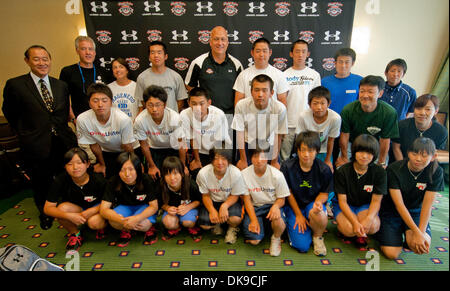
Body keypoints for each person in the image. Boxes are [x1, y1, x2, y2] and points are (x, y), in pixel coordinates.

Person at [2, 45, 77, 230]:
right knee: (41, 180)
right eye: (36, 59)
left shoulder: (61, 85)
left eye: (45, 59)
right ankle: (45, 213)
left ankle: (67, 208)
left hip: (62, 140)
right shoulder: (16, 85)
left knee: (66, 176)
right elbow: (9, 112)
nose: (42, 63)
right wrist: (26, 132)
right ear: (27, 61)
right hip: (35, 142)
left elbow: (62, 112)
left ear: (50, 61)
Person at [378, 137, 444, 259]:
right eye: (414, 154)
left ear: (433, 156)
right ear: (408, 153)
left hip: (415, 211)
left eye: (424, 156)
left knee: (420, 245)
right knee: (391, 254)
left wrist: (421, 233)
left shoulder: (436, 171)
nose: (418, 159)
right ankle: (391, 234)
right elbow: (399, 205)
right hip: (392, 212)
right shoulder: (394, 169)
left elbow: (427, 205)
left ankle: (407, 234)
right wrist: (418, 233)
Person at [43, 147, 108, 251]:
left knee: (94, 223)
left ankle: (102, 227)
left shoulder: (98, 179)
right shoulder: (60, 180)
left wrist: (92, 211)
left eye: (79, 163)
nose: (75, 167)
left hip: (98, 208)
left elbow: (110, 202)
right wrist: (69, 216)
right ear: (65, 166)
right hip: (78, 209)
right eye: (70, 164)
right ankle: (75, 233)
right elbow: (47, 208)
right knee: (61, 209)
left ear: (87, 164)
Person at [280, 132, 333, 256]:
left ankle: (318, 236)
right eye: (302, 150)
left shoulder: (324, 169)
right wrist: (298, 215)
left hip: (311, 205)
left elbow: (324, 193)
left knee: (319, 214)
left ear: (317, 151)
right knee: (302, 246)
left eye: (310, 150)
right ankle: (296, 224)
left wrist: (318, 203)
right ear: (297, 150)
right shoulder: (287, 167)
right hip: (293, 207)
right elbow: (288, 193)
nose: (306, 154)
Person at [333, 134, 387, 248]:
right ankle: (346, 231)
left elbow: (376, 201)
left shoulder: (379, 172)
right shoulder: (342, 171)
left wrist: (369, 219)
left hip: (365, 205)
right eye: (361, 152)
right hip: (346, 205)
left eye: (369, 153)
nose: (364, 156)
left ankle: (360, 232)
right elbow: (342, 201)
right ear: (354, 152)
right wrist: (355, 223)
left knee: (373, 226)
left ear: (374, 155)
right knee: (349, 229)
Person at [76, 83, 138, 178]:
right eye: (95, 101)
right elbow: (93, 145)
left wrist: (133, 164)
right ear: (89, 102)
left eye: (104, 100)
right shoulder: (83, 119)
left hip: (129, 149)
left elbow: (127, 145)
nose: (100, 105)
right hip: (106, 151)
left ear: (111, 102)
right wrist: (102, 164)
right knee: (107, 176)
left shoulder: (122, 119)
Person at [336, 75, 399, 168]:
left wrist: (381, 162)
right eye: (362, 91)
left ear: (380, 93)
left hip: (375, 147)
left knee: (378, 173)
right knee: (341, 168)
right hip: (353, 145)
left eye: (370, 92)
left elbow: (385, 140)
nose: (365, 95)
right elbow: (344, 136)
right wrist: (344, 157)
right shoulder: (348, 109)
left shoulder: (389, 112)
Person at [100, 152, 159, 247]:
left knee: (144, 224)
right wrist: (122, 220)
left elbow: (154, 206)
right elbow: (103, 210)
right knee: (113, 221)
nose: (127, 174)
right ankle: (127, 229)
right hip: (124, 208)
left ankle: (148, 228)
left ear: (138, 168)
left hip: (143, 207)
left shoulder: (146, 179)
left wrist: (136, 218)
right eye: (122, 170)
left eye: (131, 169)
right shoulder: (113, 181)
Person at [232, 74, 288, 171]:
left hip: (270, 145)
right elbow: (239, 133)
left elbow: (278, 135)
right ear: (251, 92)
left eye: (264, 90)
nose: (260, 94)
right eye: (256, 90)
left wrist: (274, 161)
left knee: (272, 174)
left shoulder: (279, 108)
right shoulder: (241, 105)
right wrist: (243, 159)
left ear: (271, 93)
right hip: (248, 144)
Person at [241, 147, 290, 256]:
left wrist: (276, 206)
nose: (259, 160)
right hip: (255, 207)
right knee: (255, 241)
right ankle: (263, 226)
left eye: (263, 157)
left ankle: (276, 238)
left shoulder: (277, 175)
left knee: (278, 220)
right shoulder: (244, 174)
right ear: (251, 158)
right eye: (255, 156)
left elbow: (282, 199)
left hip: (271, 206)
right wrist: (253, 220)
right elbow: (247, 200)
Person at [185, 26, 243, 115]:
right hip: (206, 114)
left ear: (227, 42)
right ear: (210, 42)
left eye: (223, 39)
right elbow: (190, 86)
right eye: (216, 39)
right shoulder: (198, 63)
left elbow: (240, 92)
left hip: (229, 115)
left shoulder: (237, 64)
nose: (220, 43)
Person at [133, 85, 187, 180]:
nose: (154, 109)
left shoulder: (174, 118)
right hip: (155, 149)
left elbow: (181, 144)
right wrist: (152, 166)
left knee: (177, 176)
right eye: (150, 105)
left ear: (165, 105)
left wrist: (183, 165)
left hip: (173, 149)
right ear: (145, 104)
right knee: (155, 177)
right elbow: (144, 145)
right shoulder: (140, 120)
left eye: (158, 105)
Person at [321, 48, 362, 168]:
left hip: (351, 128)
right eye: (340, 62)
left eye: (347, 62)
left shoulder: (359, 81)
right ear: (335, 63)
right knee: (330, 159)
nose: (343, 65)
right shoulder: (325, 81)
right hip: (330, 127)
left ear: (353, 63)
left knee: (350, 161)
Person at [281, 39, 321, 161]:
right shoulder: (284, 75)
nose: (300, 55)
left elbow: (318, 100)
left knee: (306, 157)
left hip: (308, 124)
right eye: (297, 51)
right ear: (291, 54)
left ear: (308, 54)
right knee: (284, 157)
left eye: (303, 51)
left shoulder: (314, 75)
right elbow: (281, 101)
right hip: (289, 124)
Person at [196, 148, 247, 244]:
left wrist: (225, 206)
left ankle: (232, 228)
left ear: (229, 160)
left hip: (229, 201)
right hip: (212, 201)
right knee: (204, 224)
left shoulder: (236, 173)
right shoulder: (203, 173)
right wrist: (211, 210)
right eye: (216, 158)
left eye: (223, 159)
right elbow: (205, 195)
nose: (220, 162)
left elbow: (235, 195)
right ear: (211, 160)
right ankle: (217, 223)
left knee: (236, 219)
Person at [180, 87, 232, 175]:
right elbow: (192, 139)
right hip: (199, 152)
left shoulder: (218, 115)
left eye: (201, 104)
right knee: (196, 172)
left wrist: (218, 161)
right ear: (188, 103)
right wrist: (197, 160)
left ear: (208, 103)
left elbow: (222, 143)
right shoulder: (184, 115)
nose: (198, 108)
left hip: (218, 151)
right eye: (194, 104)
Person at [59, 36, 106, 120]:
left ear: (94, 52)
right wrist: (73, 119)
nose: (88, 52)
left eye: (90, 49)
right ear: (77, 51)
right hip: (80, 119)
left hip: (101, 119)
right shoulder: (68, 71)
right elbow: (63, 99)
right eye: (83, 49)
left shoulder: (103, 71)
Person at [233, 37, 290, 108]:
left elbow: (282, 101)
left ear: (270, 52)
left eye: (264, 51)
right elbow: (238, 102)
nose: (261, 54)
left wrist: (278, 118)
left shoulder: (279, 75)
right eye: (258, 51)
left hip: (271, 117)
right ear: (252, 53)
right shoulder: (243, 75)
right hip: (249, 117)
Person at [392, 94, 448, 163]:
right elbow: (396, 148)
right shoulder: (402, 125)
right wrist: (403, 167)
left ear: (436, 111)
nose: (422, 113)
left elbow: (435, 153)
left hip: (426, 165)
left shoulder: (441, 131)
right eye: (418, 108)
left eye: (428, 109)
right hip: (402, 163)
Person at [296, 86, 341, 171]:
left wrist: (327, 160)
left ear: (329, 103)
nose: (319, 107)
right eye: (315, 103)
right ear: (309, 104)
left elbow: (331, 141)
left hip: (324, 151)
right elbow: (300, 140)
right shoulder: (303, 116)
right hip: (307, 150)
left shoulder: (335, 118)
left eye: (322, 103)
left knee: (326, 171)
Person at [158, 156, 203, 242]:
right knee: (168, 223)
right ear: (163, 175)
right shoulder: (161, 186)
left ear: (182, 173)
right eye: (167, 174)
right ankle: (177, 227)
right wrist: (167, 208)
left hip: (189, 209)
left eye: (175, 173)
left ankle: (191, 226)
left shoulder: (190, 184)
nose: (172, 178)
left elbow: (199, 201)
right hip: (172, 211)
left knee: (188, 222)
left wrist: (188, 207)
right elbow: (160, 203)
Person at [134, 41, 187, 113]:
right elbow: (143, 101)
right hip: (151, 120)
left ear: (165, 56)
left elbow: (180, 101)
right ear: (149, 57)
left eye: (159, 52)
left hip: (171, 121)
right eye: (152, 53)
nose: (156, 55)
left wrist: (170, 115)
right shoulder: (142, 78)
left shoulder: (176, 77)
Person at [108, 57, 142, 122]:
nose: (118, 70)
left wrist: (135, 122)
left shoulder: (136, 87)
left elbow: (141, 108)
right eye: (115, 67)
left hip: (133, 126)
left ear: (127, 70)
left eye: (121, 67)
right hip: (115, 127)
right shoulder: (109, 88)